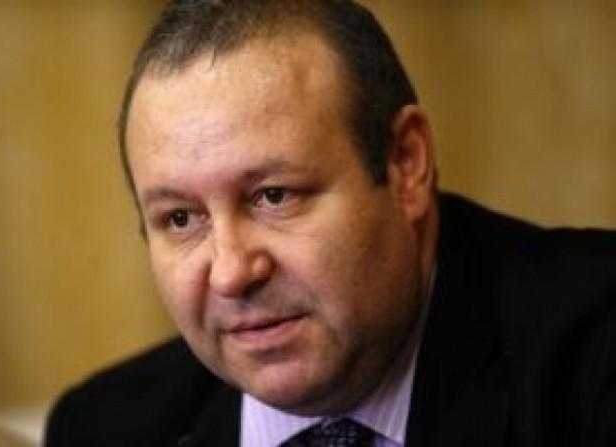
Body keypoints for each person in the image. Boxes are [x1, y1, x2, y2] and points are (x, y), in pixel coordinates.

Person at [45, 1, 616, 446]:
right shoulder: (102, 429)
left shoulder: (595, 353)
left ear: (406, 164)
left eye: (273, 196)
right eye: (180, 218)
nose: (231, 274)